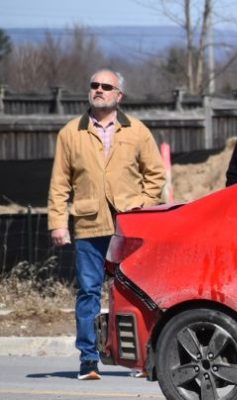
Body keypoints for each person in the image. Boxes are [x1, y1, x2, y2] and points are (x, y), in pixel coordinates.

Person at [48, 69, 165, 380]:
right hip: (89, 225)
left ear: (119, 96)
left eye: (106, 86)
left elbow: (156, 175)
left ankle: (143, 359)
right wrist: (58, 222)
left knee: (138, 293)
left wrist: (142, 205)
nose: (98, 90)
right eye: (94, 85)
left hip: (129, 226)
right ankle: (88, 360)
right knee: (88, 292)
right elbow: (60, 183)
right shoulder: (71, 133)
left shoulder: (137, 131)